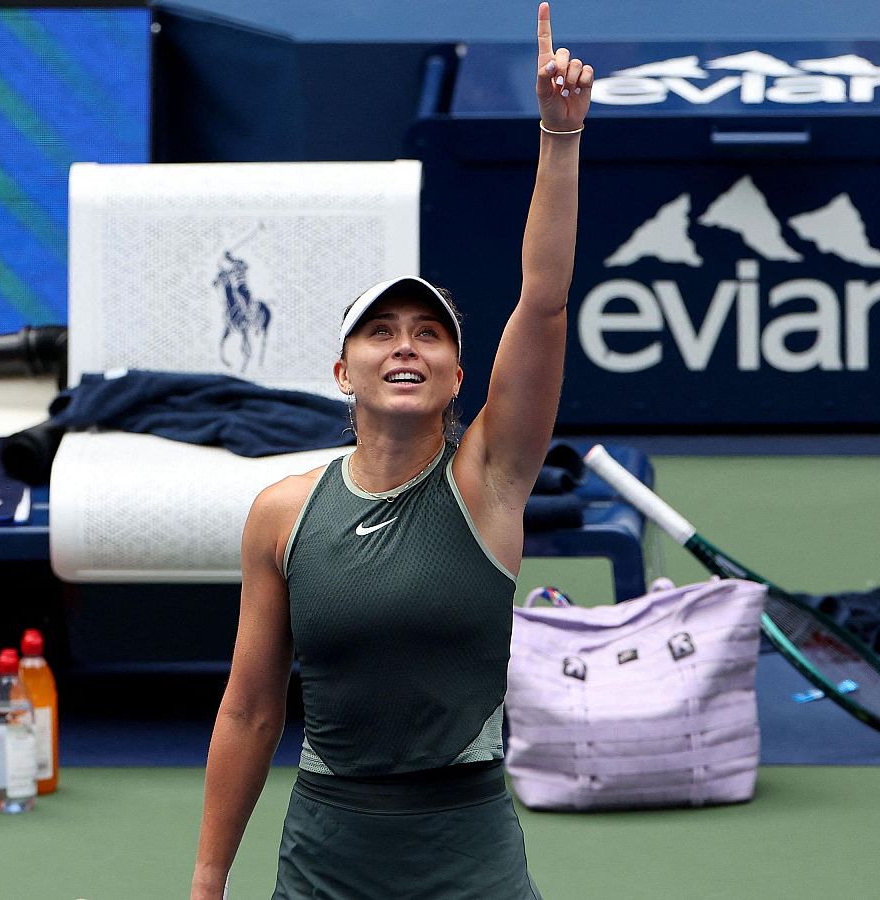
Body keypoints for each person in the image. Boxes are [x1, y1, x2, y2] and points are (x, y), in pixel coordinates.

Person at [191, 4, 588, 896]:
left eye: (428, 334)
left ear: (457, 377)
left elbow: (544, 298)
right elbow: (249, 710)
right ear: (344, 372)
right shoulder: (282, 515)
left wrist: (559, 137)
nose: (405, 345)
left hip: (469, 849)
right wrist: (209, 881)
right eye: (381, 331)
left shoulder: (489, 482)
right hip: (327, 849)